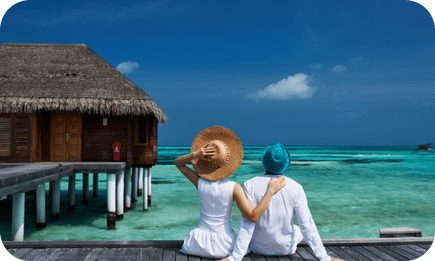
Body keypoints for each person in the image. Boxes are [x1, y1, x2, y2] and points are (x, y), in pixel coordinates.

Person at [174, 126, 286, 259]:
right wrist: (270, 191)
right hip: (224, 246)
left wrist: (195, 155)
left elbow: (178, 163)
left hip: (196, 244)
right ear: (227, 162)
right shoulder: (234, 187)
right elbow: (253, 217)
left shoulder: (200, 183)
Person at [219, 143, 345, 261]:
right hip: (286, 249)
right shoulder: (295, 187)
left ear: (265, 162)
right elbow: (307, 225)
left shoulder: (249, 184)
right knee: (301, 227)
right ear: (286, 163)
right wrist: (325, 258)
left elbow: (247, 223)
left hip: (258, 248)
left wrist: (235, 257)